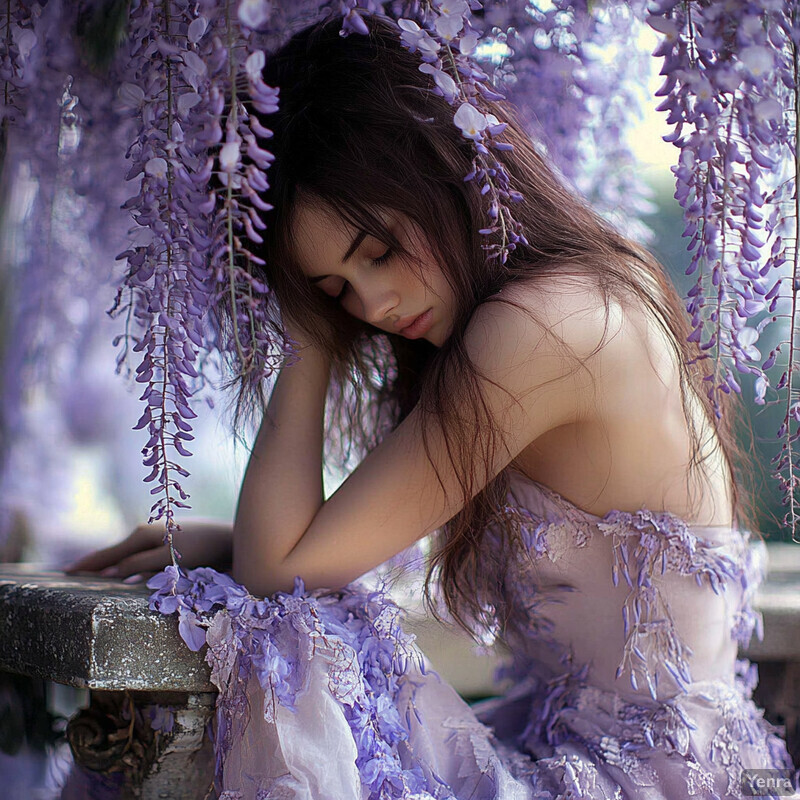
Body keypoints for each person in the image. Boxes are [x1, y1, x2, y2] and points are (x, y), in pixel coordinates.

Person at [66, 13, 797, 800]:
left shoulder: (547, 326)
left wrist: (307, 334)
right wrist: (239, 540)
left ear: (443, 170)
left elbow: (279, 573)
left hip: (656, 783)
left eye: (377, 252)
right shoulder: (568, 287)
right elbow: (304, 554)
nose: (373, 307)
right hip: (597, 760)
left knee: (290, 644)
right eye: (335, 291)